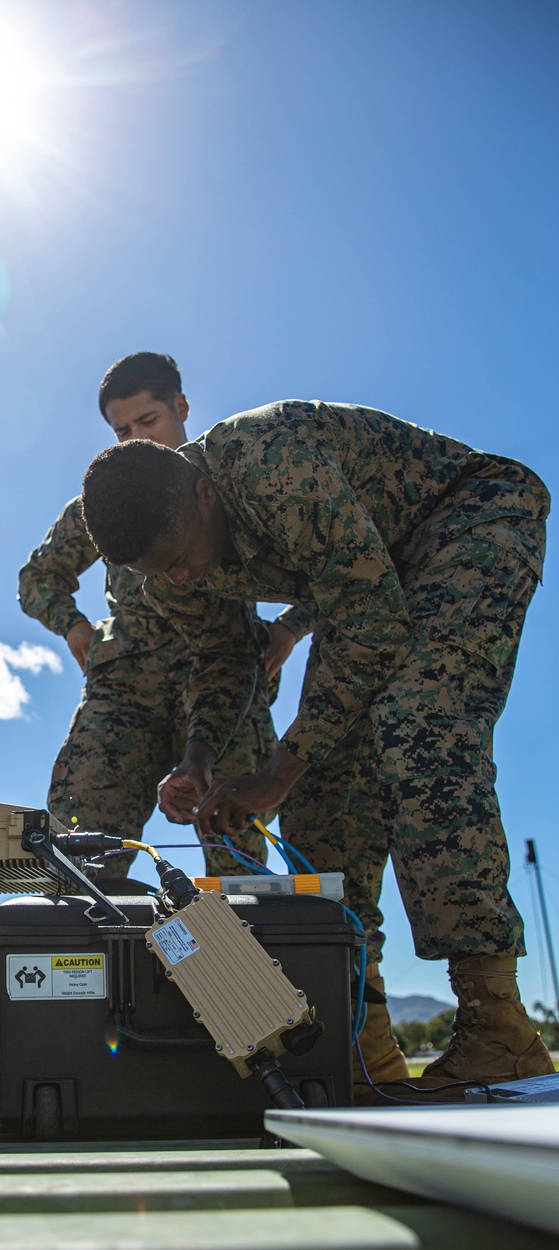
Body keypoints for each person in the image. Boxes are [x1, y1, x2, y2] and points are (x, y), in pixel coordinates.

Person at [80, 399, 553, 1090]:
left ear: (203, 494)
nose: (180, 579)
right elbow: (223, 662)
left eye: (182, 560)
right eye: (163, 573)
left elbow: (372, 616)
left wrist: (276, 770)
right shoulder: (162, 571)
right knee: (323, 795)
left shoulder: (268, 465)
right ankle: (365, 1043)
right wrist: (199, 758)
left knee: (418, 727)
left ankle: (498, 1026)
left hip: (465, 520)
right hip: (365, 580)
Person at [19, 353, 288, 879]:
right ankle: (86, 954)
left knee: (236, 862)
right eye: (122, 430)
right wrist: (72, 624)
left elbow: (324, 556)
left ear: (181, 406)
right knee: (80, 843)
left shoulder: (228, 485)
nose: (135, 437)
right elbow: (37, 578)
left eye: (148, 421)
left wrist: (290, 628)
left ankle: (237, 960)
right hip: (126, 692)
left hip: (222, 685)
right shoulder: (101, 505)